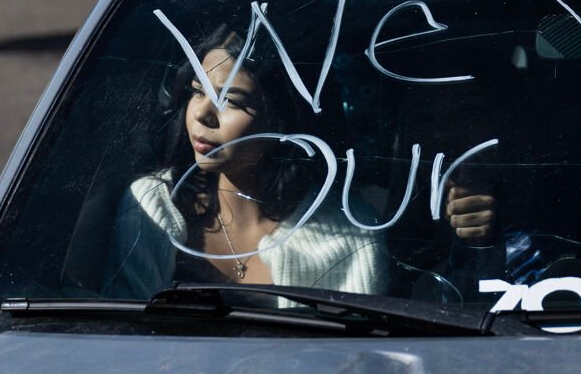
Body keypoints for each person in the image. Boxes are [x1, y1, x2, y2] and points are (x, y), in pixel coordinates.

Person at [104, 30, 390, 298]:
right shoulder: (152, 206)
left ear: (283, 118)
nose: (202, 114)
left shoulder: (350, 236)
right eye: (197, 91)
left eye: (231, 100)